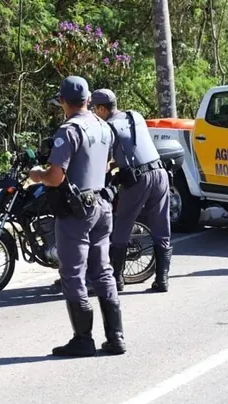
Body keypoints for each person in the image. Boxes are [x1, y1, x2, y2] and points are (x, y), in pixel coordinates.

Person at [29, 76, 126, 357]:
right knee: (103, 271)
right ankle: (116, 336)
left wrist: (37, 175)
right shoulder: (102, 126)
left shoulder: (69, 131)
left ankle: (83, 339)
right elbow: (109, 163)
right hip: (101, 205)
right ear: (88, 100)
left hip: (76, 211)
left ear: (62, 101)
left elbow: (55, 176)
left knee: (73, 273)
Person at [90, 88, 173, 292]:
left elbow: (105, 160)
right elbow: (133, 147)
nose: (93, 113)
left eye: (94, 109)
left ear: (102, 108)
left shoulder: (107, 127)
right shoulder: (135, 115)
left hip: (139, 179)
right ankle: (162, 280)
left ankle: (117, 280)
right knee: (162, 227)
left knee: (122, 225)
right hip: (160, 172)